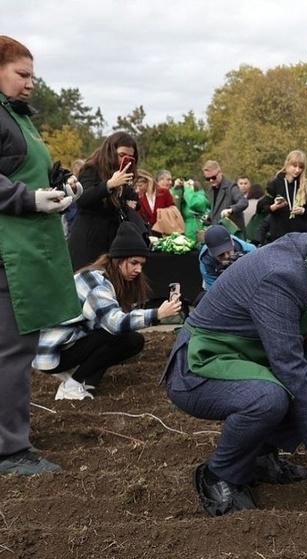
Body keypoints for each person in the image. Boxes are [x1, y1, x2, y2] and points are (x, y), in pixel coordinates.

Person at [160, 207, 307, 517]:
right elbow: (289, 366)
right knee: (269, 399)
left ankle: (260, 455)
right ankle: (219, 474)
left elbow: (296, 330)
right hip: (198, 367)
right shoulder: (279, 274)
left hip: (246, 354)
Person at [0, 35, 82, 475]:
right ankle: (10, 451)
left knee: (14, 345)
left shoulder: (19, 117)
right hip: (10, 249)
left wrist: (62, 180)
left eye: (33, 75)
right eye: (22, 74)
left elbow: (24, 167)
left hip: (28, 246)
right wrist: (27, 200)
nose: (31, 83)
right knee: (13, 350)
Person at [33, 222, 182, 400]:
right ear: (119, 260)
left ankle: (83, 380)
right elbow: (115, 323)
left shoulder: (107, 278)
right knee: (120, 337)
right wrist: (157, 314)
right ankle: (73, 384)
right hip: (51, 350)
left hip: (64, 343)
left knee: (129, 339)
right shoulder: (96, 281)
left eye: (142, 264)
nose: (138, 270)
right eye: (134, 263)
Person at [67, 131, 144, 271]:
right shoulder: (91, 169)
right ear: (111, 151)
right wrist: (109, 185)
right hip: (89, 239)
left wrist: (132, 201)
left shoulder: (125, 175)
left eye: (130, 158)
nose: (124, 160)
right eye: (121, 155)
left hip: (112, 241)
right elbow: (82, 199)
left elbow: (132, 200)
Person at [258, 150, 307, 243]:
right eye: (294, 166)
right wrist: (274, 207)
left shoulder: (305, 186)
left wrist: (303, 211)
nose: (297, 170)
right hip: (279, 234)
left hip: (300, 234)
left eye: (300, 167)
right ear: (287, 164)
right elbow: (264, 207)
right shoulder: (274, 183)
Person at [198, 225, 255, 292]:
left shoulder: (250, 251)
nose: (226, 256)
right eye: (221, 255)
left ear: (232, 243)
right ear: (211, 253)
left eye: (228, 251)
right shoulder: (206, 261)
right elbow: (213, 291)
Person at [202, 160, 247, 234]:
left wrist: (231, 210)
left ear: (220, 172)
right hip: (218, 235)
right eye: (207, 179)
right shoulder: (211, 190)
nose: (211, 180)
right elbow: (216, 212)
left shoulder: (231, 187)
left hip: (233, 236)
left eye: (213, 177)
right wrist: (208, 218)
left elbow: (243, 202)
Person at [170, 177, 208, 244]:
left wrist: (187, 189)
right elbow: (172, 203)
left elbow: (194, 204)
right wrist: (176, 189)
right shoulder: (185, 197)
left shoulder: (201, 196)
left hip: (197, 232)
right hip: (184, 232)